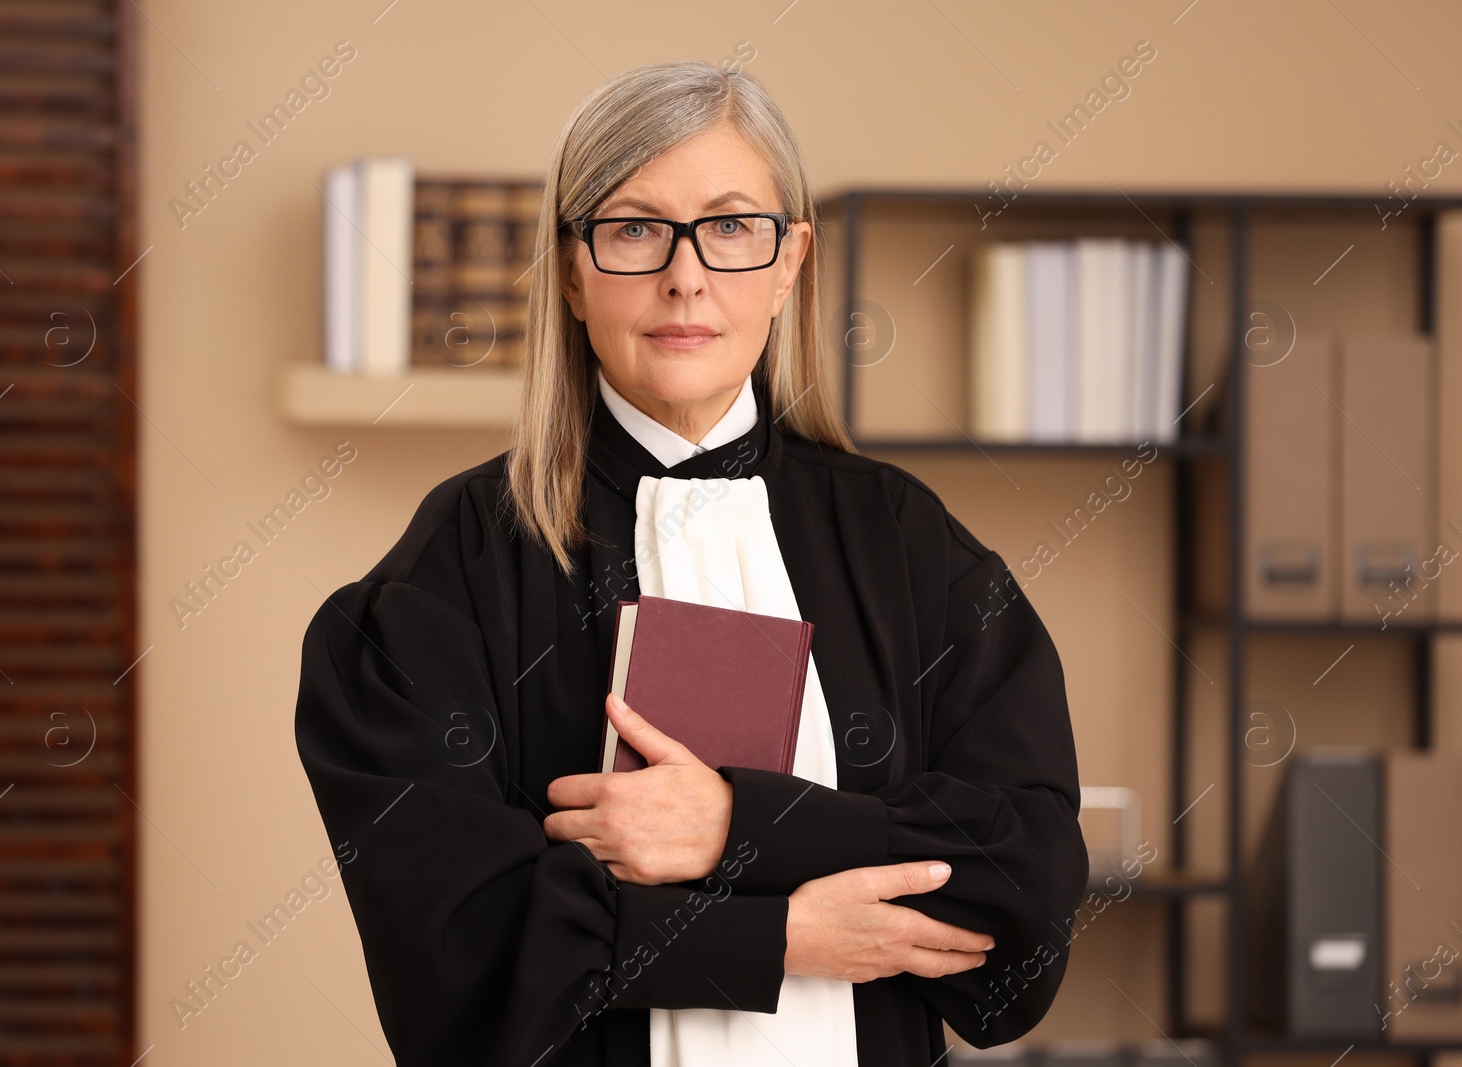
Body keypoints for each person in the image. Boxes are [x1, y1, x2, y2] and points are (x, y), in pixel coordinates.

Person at [294, 59, 1089, 1067]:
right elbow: (451, 955)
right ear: (572, 271)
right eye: (632, 228)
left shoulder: (907, 543)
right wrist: (782, 939)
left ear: (790, 259)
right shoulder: (448, 574)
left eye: (729, 225)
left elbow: (1023, 885)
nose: (686, 275)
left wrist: (740, 825)